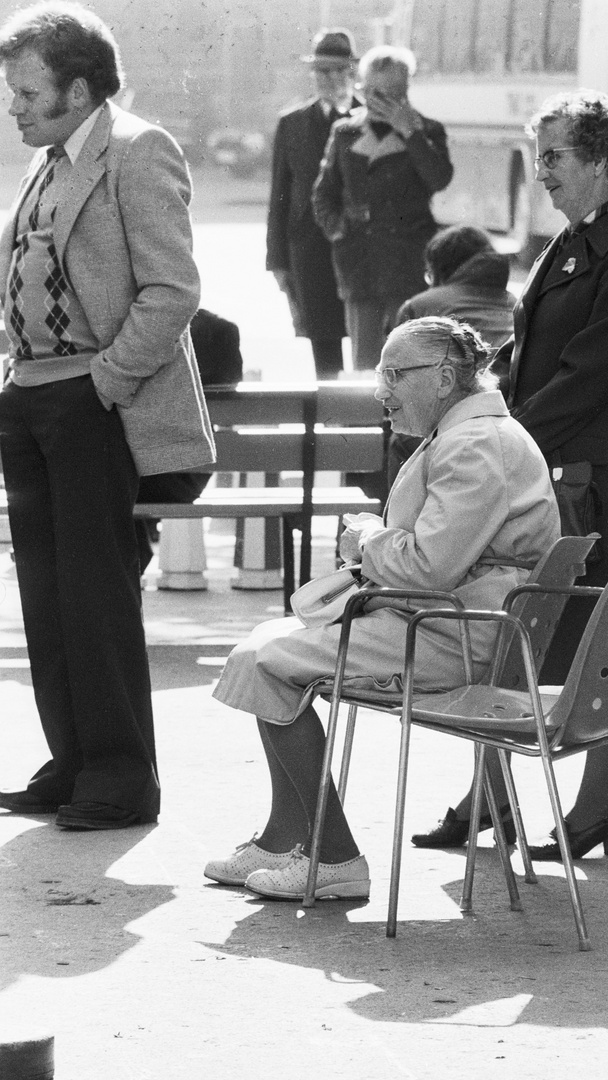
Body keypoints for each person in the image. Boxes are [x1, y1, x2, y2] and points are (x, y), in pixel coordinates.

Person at [203, 316, 560, 896]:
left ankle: (336, 859)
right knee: (264, 653)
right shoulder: (472, 434)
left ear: (445, 377)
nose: (382, 391)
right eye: (381, 375)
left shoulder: (478, 443)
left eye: (395, 374)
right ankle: (282, 837)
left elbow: (427, 566)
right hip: (447, 622)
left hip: (451, 633)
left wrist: (366, 540)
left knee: (263, 661)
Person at [411, 90, 608, 856]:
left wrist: (495, 443)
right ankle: (488, 797)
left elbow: (588, 376)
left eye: (553, 156)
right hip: (550, 475)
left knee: (601, 646)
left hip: (587, 483)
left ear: (598, 161)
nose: (542, 172)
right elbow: (529, 364)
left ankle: (596, 809)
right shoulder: (573, 243)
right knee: (513, 632)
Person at [0, 2, 213, 830]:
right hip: (32, 398)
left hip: (92, 404)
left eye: (26, 90)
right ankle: (76, 762)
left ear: (79, 88)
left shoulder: (138, 150)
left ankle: (122, 779)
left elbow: (172, 292)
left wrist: (103, 383)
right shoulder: (48, 161)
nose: (13, 105)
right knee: (46, 595)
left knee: (95, 597)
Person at [312, 45, 453, 371]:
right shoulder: (345, 131)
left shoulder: (428, 130)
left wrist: (410, 133)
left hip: (408, 264)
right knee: (365, 367)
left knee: (410, 363)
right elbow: (323, 196)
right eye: (374, 91)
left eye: (392, 93)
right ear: (361, 88)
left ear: (405, 91)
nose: (381, 101)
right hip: (360, 263)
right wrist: (342, 228)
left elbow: (438, 179)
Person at [266, 28, 360, 379]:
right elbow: (279, 197)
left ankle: (365, 426)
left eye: (338, 70)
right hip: (308, 251)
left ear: (352, 72)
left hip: (359, 249)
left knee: (367, 344)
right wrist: (276, 260)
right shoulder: (292, 123)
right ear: (312, 75)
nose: (330, 79)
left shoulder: (371, 119)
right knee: (323, 344)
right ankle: (334, 427)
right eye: (322, 71)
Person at [389, 224, 514, 486]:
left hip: (453, 429)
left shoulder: (420, 307)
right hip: (511, 426)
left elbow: (395, 385)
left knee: (399, 435)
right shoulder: (518, 302)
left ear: (437, 270)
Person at [135, 307, 243, 574]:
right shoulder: (224, 332)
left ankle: (134, 557)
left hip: (136, 478)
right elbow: (232, 397)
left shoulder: (139, 326)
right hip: (188, 478)